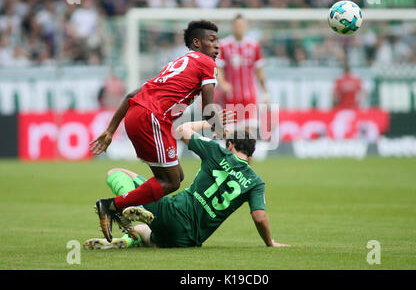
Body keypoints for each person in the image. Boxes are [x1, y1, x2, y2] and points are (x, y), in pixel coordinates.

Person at [89, 20, 222, 241]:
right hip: (151, 118)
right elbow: (209, 109)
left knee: (174, 176)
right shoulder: (206, 63)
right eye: (212, 40)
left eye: (218, 41)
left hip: (140, 116)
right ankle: (111, 206)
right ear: (196, 43)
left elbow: (132, 95)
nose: (217, 46)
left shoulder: (177, 64)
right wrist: (222, 128)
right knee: (171, 181)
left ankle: (128, 206)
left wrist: (111, 130)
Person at [85, 119, 289, 248]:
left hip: (172, 212)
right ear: (251, 158)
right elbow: (259, 217)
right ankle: (128, 239)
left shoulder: (218, 152)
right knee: (145, 233)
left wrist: (209, 124)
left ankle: (131, 206)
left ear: (230, 145)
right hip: (188, 240)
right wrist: (269, 242)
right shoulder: (256, 182)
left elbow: (181, 130)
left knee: (116, 172)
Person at [215, 14, 269, 134]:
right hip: (230, 96)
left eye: (242, 25)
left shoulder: (254, 45)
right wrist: (222, 83)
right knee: (229, 133)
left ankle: (247, 153)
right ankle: (231, 153)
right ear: (233, 27)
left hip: (249, 96)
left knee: (248, 133)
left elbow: (259, 71)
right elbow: (218, 68)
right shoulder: (224, 45)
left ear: (246, 26)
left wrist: (265, 92)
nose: (239, 28)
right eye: (237, 25)